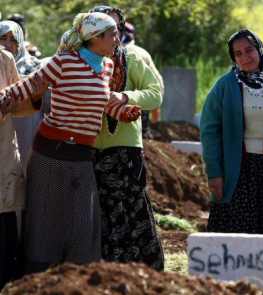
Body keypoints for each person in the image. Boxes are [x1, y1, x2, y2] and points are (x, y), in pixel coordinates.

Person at [0, 11, 140, 274]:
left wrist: (123, 111)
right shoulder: (63, 62)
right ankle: (36, 284)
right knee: (45, 228)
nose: (116, 40)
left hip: (81, 158)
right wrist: (4, 97)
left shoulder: (106, 67)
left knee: (81, 228)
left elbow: (102, 99)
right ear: (94, 37)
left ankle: (76, 282)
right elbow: (30, 86)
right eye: (112, 34)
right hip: (50, 156)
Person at [200, 29, 263, 273]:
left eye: (249, 50)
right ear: (233, 58)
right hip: (236, 171)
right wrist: (214, 173)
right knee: (235, 234)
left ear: (259, 50)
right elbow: (209, 130)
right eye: (238, 53)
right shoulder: (224, 87)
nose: (245, 57)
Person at [90, 5, 164, 271]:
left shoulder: (132, 57)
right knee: (99, 213)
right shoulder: (81, 61)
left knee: (132, 209)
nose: (109, 35)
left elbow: (155, 93)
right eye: (99, 29)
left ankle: (141, 275)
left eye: (113, 29)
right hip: (88, 150)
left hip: (124, 152)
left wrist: (125, 97)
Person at [0, 20, 44, 171]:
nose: (7, 43)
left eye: (13, 39)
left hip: (27, 133)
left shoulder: (35, 68)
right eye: (2, 38)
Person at [0, 47, 25, 288]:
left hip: (3, 154)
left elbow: (20, 100)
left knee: (6, 223)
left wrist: (10, 101)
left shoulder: (4, 59)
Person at [122, 21, 163, 137]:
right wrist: (155, 120)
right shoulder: (142, 52)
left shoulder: (104, 51)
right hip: (139, 101)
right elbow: (157, 85)